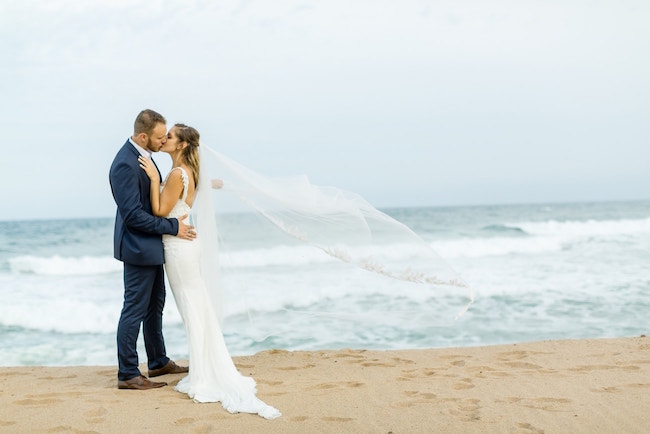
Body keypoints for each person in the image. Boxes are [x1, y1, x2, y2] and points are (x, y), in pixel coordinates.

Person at [138, 123, 281, 419]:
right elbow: (200, 188)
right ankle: (205, 366)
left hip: (179, 249)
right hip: (185, 246)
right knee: (196, 304)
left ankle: (204, 374)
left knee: (191, 307)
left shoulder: (177, 174)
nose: (164, 139)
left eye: (171, 137)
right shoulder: (190, 172)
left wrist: (153, 179)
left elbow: (160, 212)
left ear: (181, 146)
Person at [109, 109, 194, 390]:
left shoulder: (145, 157)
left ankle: (157, 361)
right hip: (137, 246)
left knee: (155, 305)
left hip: (152, 245)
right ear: (143, 136)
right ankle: (128, 374)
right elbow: (133, 215)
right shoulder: (124, 164)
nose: (162, 141)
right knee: (134, 308)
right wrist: (173, 227)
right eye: (159, 137)